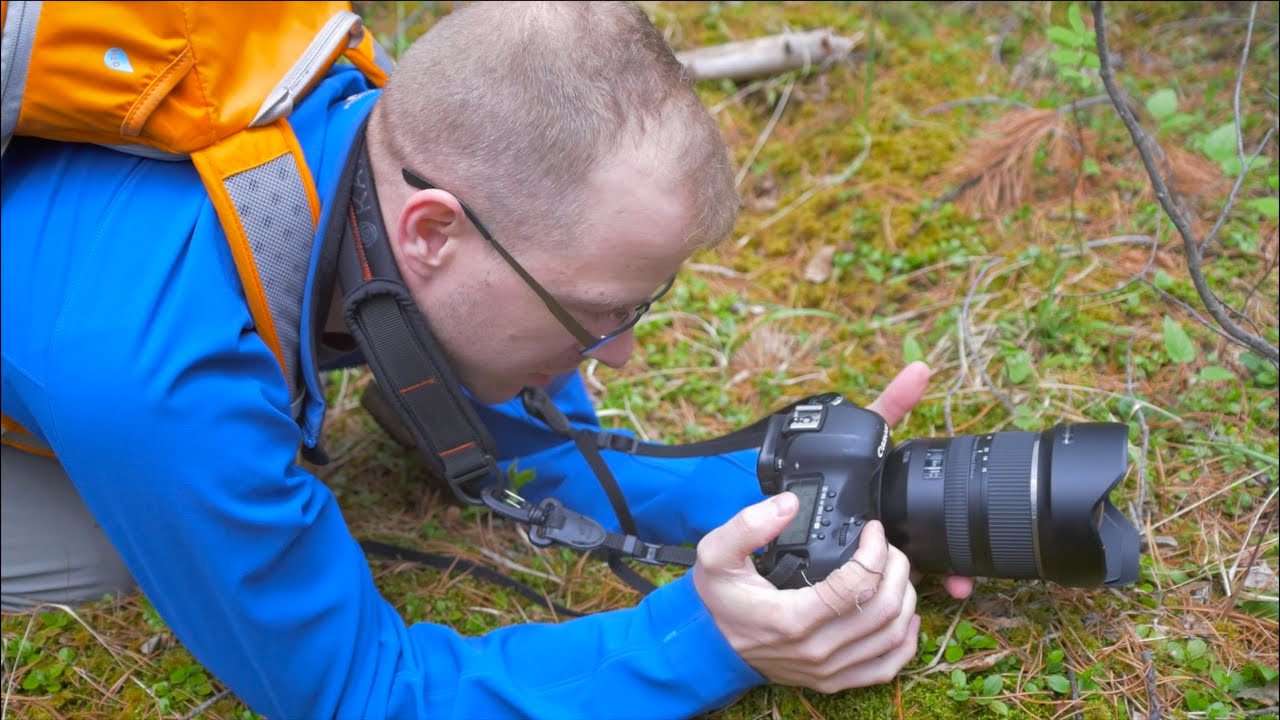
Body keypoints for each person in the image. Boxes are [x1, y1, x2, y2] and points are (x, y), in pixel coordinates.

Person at [1, 3, 971, 718]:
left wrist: (786, 498)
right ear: (430, 233)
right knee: (101, 547)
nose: (621, 355)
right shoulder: (158, 384)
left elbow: (504, 378)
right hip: (92, 359)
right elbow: (358, 692)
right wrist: (705, 639)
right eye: (595, 313)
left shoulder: (344, 98)